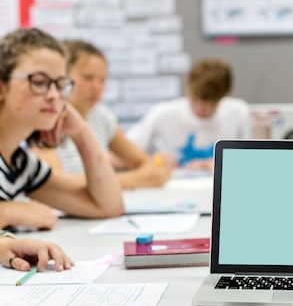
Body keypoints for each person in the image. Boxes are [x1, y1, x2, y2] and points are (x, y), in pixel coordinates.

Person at [0, 27, 123, 231]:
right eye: (39, 82)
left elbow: (107, 206)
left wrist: (81, 131)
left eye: (60, 84)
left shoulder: (20, 165)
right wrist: (9, 212)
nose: (54, 96)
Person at [31, 40, 172, 189]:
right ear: (62, 77)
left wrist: (145, 174)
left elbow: (145, 163)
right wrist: (135, 179)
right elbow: (56, 183)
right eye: (88, 78)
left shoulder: (102, 117)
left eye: (102, 80)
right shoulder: (46, 119)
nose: (97, 87)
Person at [125, 58, 251, 171]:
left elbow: (252, 161)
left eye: (210, 107)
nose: (201, 111)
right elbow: (119, 155)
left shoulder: (238, 112)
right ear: (187, 80)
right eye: (195, 102)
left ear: (226, 94)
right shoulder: (163, 113)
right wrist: (155, 160)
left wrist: (220, 165)